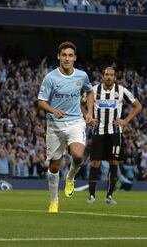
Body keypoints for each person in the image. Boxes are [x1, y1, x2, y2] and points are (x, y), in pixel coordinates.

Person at [38, 41, 94, 213]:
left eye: (70, 55)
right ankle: (54, 202)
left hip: (75, 122)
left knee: (78, 155)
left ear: (75, 58)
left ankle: (71, 176)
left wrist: (89, 112)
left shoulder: (82, 76)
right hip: (54, 125)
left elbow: (90, 92)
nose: (67, 58)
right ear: (58, 57)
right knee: (54, 166)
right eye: (64, 55)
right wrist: (53, 110)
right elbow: (41, 102)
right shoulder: (50, 78)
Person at [87, 66, 141, 204]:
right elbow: (81, 103)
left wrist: (126, 121)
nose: (109, 77)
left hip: (115, 133)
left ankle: (109, 196)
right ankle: (92, 196)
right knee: (95, 162)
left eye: (111, 75)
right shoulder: (93, 90)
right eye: (106, 74)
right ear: (103, 76)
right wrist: (87, 116)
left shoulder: (121, 90)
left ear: (115, 77)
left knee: (114, 162)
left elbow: (138, 106)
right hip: (98, 132)